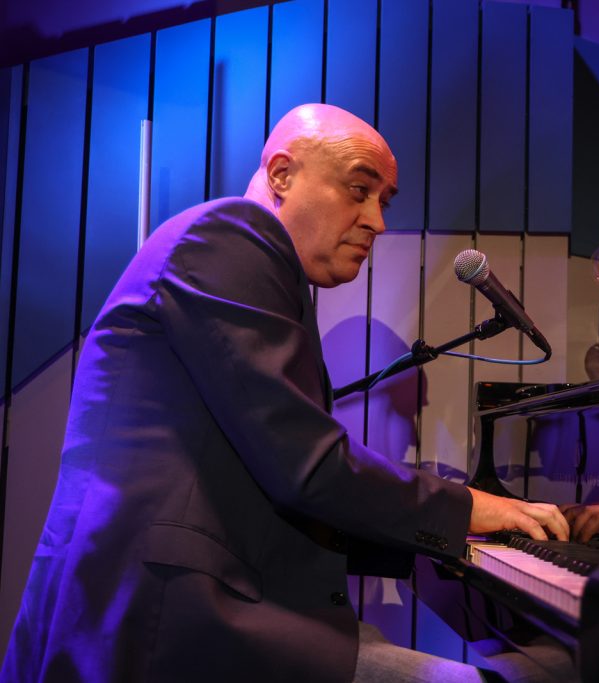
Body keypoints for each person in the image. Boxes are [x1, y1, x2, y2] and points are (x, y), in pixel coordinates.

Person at [0, 104, 568, 683]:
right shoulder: (229, 236)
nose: (377, 220)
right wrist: (472, 508)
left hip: (207, 604)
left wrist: (466, 532)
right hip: (168, 620)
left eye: (384, 201)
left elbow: (281, 489)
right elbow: (309, 467)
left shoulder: (252, 266)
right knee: (549, 673)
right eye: (359, 190)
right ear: (280, 174)